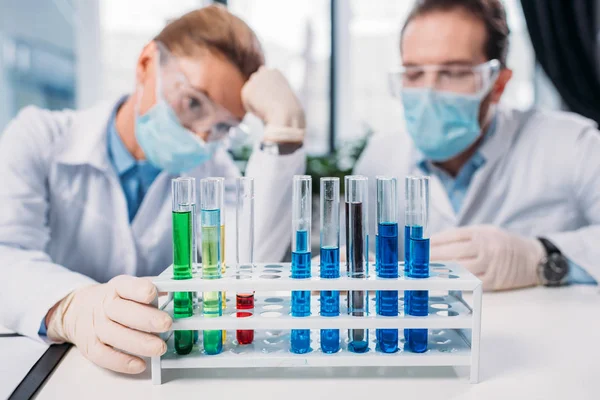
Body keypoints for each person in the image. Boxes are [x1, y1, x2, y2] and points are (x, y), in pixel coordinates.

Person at [0, 5, 306, 374]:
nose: (200, 136)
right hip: (54, 367)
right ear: (146, 63)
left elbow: (243, 273)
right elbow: (5, 253)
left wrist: (283, 134)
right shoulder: (39, 137)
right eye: (193, 102)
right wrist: (69, 307)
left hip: (156, 370)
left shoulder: (213, 172)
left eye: (222, 128)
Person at [355, 0, 600, 291]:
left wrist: (542, 256)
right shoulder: (379, 159)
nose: (428, 92)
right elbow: (367, 261)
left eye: (454, 72)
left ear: (497, 85)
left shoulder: (571, 143)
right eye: (414, 73)